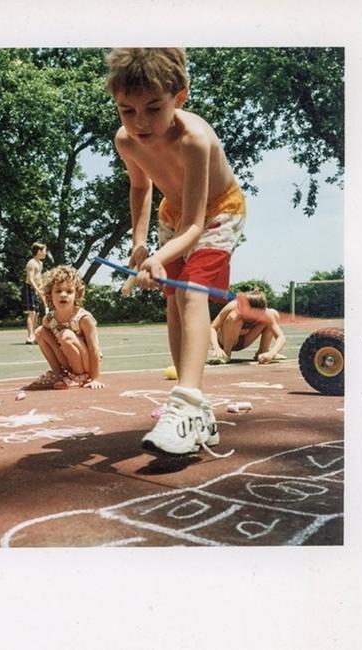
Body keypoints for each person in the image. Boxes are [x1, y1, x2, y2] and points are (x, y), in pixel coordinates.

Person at [107, 48, 246, 456]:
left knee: (190, 292)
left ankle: (186, 401)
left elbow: (196, 225)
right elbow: (140, 187)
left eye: (153, 108)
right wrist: (139, 242)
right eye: (126, 110)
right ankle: (195, 411)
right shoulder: (125, 139)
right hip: (174, 211)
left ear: (179, 97)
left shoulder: (194, 140)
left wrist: (162, 257)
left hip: (217, 211)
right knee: (172, 301)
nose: (139, 122)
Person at [25, 265, 104, 390]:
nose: (63, 295)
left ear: (76, 295)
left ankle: (80, 376)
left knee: (66, 335)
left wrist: (95, 378)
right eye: (58, 291)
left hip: (87, 363)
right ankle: (59, 374)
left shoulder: (84, 318)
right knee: (40, 332)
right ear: (50, 295)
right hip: (67, 362)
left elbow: (94, 349)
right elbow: (50, 343)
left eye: (69, 291)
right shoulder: (49, 319)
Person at [209, 289, 287, 364]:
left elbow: (281, 337)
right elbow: (212, 328)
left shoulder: (265, 313)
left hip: (244, 341)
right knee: (234, 317)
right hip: (224, 341)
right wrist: (216, 347)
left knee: (274, 314)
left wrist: (272, 353)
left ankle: (263, 352)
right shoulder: (233, 306)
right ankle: (226, 354)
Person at [22, 242, 47, 344]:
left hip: (36, 289)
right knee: (31, 313)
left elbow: (39, 278)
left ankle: (35, 335)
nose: (45, 253)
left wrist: (42, 290)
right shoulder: (31, 263)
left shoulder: (40, 263)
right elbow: (31, 279)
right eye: (44, 251)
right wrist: (37, 290)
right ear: (39, 251)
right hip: (29, 288)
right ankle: (29, 337)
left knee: (36, 313)